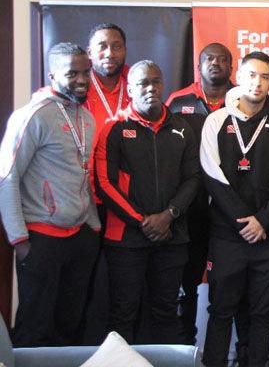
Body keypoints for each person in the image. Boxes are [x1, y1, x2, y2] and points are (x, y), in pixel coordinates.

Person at [200, 51, 269, 367]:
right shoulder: (215, 120)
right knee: (220, 312)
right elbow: (212, 175)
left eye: (265, 76)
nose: (258, 83)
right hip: (228, 236)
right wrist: (244, 221)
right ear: (239, 77)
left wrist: (263, 221)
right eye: (252, 75)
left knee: (262, 313)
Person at [0, 42, 100, 346]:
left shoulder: (86, 118)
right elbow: (7, 177)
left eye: (86, 72)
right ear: (52, 74)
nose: (82, 79)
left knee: (69, 325)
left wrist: (93, 227)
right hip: (41, 238)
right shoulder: (32, 116)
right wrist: (19, 241)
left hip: (80, 237)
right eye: (72, 73)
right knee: (35, 327)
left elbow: (83, 176)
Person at [94, 60, 201, 344]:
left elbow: (193, 178)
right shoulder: (114, 128)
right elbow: (104, 184)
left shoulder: (182, 128)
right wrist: (143, 221)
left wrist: (168, 215)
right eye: (143, 83)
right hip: (126, 239)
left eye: (156, 81)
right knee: (123, 314)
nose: (151, 88)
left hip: (172, 237)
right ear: (130, 89)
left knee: (166, 313)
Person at [166, 42, 234, 345]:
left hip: (229, 208)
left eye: (222, 60)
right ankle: (185, 346)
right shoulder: (179, 101)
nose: (215, 64)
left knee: (227, 281)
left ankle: (228, 349)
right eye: (209, 59)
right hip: (188, 207)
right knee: (187, 281)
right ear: (199, 65)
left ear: (232, 68)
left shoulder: (243, 99)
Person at [81, 22, 130, 343]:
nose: (109, 53)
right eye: (101, 46)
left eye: (115, 46)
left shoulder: (139, 83)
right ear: (89, 52)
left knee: (123, 286)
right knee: (83, 284)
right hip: (84, 204)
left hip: (126, 204)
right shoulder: (77, 85)